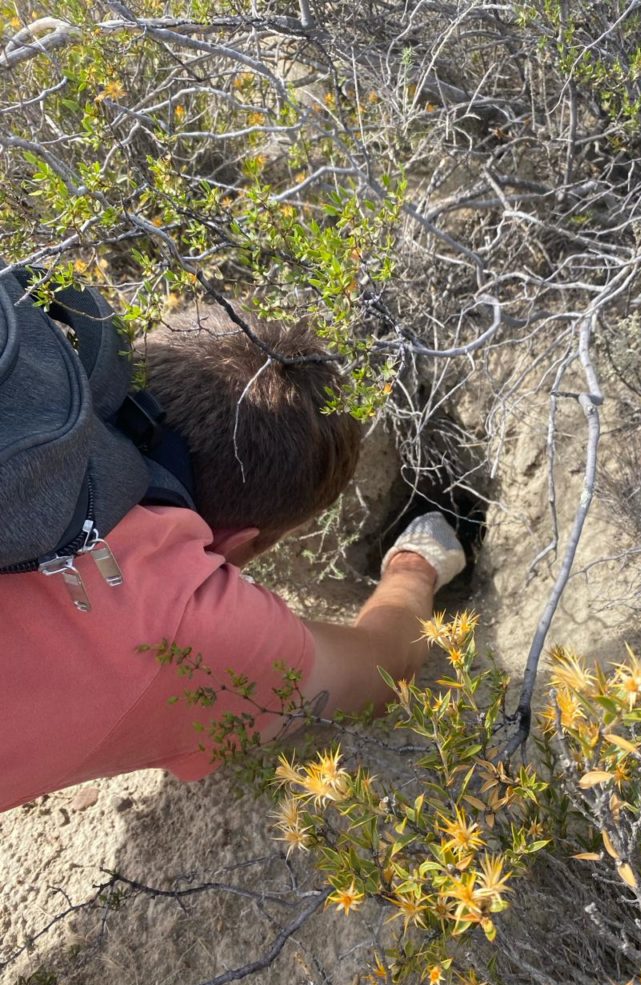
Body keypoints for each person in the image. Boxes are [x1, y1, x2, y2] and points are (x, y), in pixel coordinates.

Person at [0, 308, 465, 813]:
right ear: (240, 539)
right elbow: (383, 668)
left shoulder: (32, 364)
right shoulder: (181, 623)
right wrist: (414, 567)